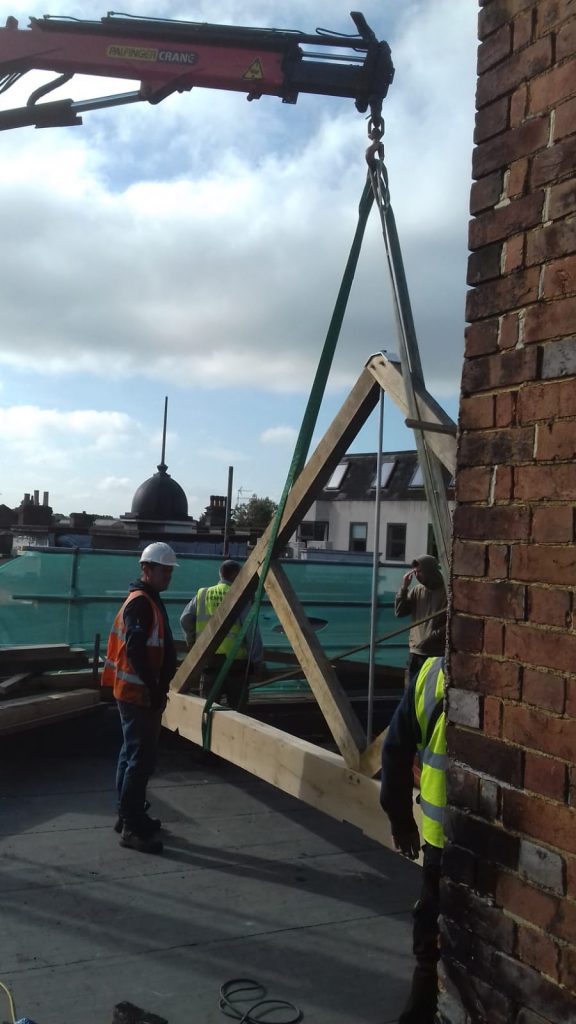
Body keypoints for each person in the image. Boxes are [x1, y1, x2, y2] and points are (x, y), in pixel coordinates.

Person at [380, 655, 446, 1024]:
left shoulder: (431, 672)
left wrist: (401, 820)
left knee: (431, 932)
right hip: (488, 838)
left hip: (440, 837)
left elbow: (395, 750)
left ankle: (420, 1013)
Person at [101, 541, 178, 854]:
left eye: (170, 571)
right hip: (138, 693)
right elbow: (134, 649)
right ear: (146, 569)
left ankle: (128, 815)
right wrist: (154, 686)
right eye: (163, 570)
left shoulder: (148, 599)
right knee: (140, 760)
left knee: (130, 755)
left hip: (137, 691)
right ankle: (131, 826)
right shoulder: (142, 603)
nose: (168, 576)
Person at [180, 559, 263, 711]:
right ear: (235, 574)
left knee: (207, 710)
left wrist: (193, 643)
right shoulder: (240, 596)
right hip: (235, 665)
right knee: (239, 714)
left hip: (209, 661)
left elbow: (184, 619)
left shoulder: (203, 594)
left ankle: (205, 734)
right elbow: (251, 630)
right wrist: (257, 661)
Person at [395, 554, 447, 685]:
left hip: (436, 653)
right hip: (415, 653)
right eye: (415, 572)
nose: (417, 575)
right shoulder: (417, 590)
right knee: (411, 692)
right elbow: (399, 612)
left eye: (420, 572)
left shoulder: (447, 591)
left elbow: (453, 621)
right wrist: (404, 588)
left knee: (431, 693)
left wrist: (434, 635)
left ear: (429, 570)